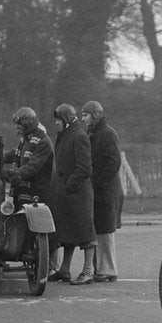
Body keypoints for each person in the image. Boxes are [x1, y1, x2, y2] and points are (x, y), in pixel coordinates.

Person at [3, 107, 60, 270]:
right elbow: (17, 154)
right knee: (21, 226)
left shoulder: (43, 141)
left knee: (39, 231)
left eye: (19, 124)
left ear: (27, 123)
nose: (17, 127)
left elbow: (32, 167)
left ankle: (47, 265)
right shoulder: (26, 139)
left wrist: (10, 174)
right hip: (23, 192)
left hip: (38, 194)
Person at [47, 103, 96, 285]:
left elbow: (84, 168)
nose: (56, 124)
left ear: (66, 120)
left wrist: (68, 185)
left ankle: (88, 271)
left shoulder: (79, 137)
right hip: (67, 194)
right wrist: (61, 183)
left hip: (79, 195)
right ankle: (64, 270)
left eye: (58, 120)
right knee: (67, 234)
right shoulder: (65, 135)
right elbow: (60, 167)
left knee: (86, 235)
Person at [81, 100, 123, 282]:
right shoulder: (96, 133)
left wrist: (97, 183)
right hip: (100, 189)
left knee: (105, 230)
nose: (83, 119)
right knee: (100, 229)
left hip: (106, 190)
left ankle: (108, 270)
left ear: (95, 115)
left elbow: (114, 162)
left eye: (85, 115)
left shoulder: (107, 133)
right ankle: (103, 269)